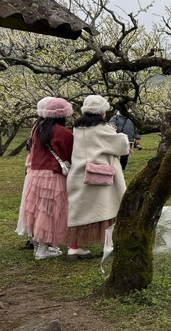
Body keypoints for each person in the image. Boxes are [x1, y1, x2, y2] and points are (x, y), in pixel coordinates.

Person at [66, 95, 129, 262]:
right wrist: (119, 134)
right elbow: (122, 145)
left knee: (78, 210)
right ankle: (108, 245)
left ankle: (73, 247)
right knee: (108, 208)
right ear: (102, 111)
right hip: (102, 174)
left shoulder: (78, 127)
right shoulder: (102, 128)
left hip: (79, 173)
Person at [19, 97, 74, 260]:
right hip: (52, 175)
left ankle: (38, 245)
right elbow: (69, 154)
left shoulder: (38, 129)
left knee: (37, 210)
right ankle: (43, 249)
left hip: (35, 174)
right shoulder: (63, 133)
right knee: (49, 211)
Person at [16, 96, 54, 250]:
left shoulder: (36, 126)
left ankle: (32, 237)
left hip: (31, 168)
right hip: (42, 169)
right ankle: (41, 237)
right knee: (43, 205)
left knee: (31, 205)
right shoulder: (46, 128)